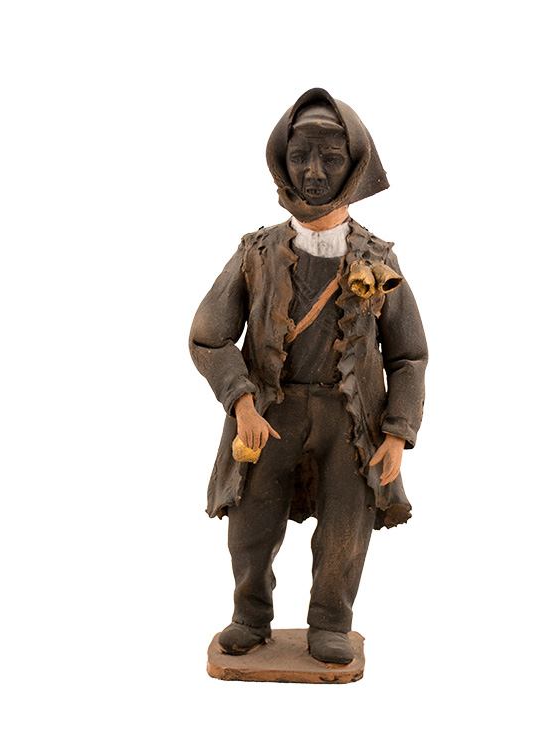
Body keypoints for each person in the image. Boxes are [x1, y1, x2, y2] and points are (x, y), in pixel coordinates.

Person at [189, 88, 428, 664]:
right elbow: (209, 336)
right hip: (269, 414)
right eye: (300, 157)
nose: (314, 172)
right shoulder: (256, 252)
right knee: (250, 523)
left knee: (347, 527)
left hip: (350, 421)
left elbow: (408, 355)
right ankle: (250, 615)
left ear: (355, 164)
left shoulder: (378, 259)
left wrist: (397, 431)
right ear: (281, 160)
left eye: (331, 158)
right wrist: (241, 401)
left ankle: (331, 622)